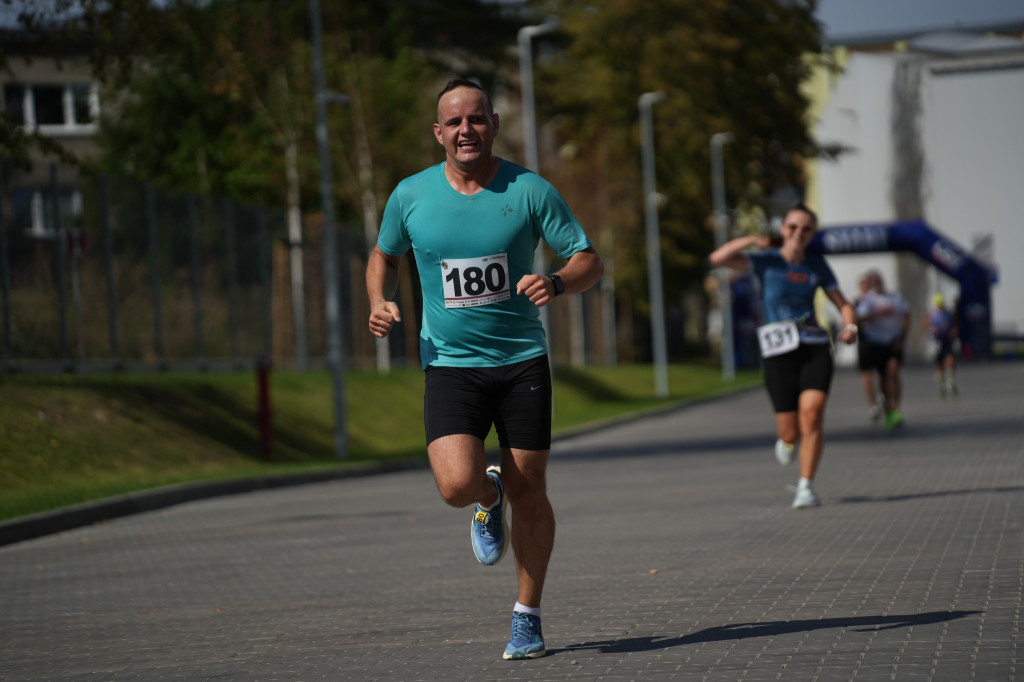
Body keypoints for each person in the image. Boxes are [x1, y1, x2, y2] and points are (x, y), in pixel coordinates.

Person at [365, 78, 604, 660]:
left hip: (521, 361)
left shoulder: (529, 190)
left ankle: (527, 615)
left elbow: (589, 259)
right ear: (438, 132)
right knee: (454, 486)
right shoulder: (410, 195)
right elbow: (384, 254)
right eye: (454, 122)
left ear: (494, 124)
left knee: (533, 490)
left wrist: (554, 281)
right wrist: (379, 299)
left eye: (477, 119)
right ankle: (484, 493)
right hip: (450, 364)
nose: (466, 130)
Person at [709, 203, 858, 509]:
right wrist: (752, 239)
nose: (798, 234)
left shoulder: (816, 264)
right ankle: (787, 439)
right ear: (783, 230)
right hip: (778, 351)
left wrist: (850, 325)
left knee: (813, 413)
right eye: (792, 227)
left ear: (812, 233)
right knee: (790, 429)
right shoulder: (766, 261)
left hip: (814, 343)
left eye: (805, 229)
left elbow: (843, 303)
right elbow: (718, 258)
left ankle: (806, 486)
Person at [854, 270, 911, 432]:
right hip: (876, 343)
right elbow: (859, 318)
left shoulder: (895, 297)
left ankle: (896, 408)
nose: (876, 283)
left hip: (893, 342)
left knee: (893, 371)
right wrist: (871, 316)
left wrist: (902, 337)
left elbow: (907, 315)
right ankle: (888, 408)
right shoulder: (868, 301)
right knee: (883, 377)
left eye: (878, 280)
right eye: (873, 281)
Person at [923, 293, 958, 396]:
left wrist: (954, 331)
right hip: (937, 342)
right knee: (939, 365)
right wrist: (930, 329)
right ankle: (941, 384)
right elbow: (924, 327)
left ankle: (950, 383)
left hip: (947, 341)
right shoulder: (932, 314)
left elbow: (954, 324)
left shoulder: (947, 313)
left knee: (950, 360)